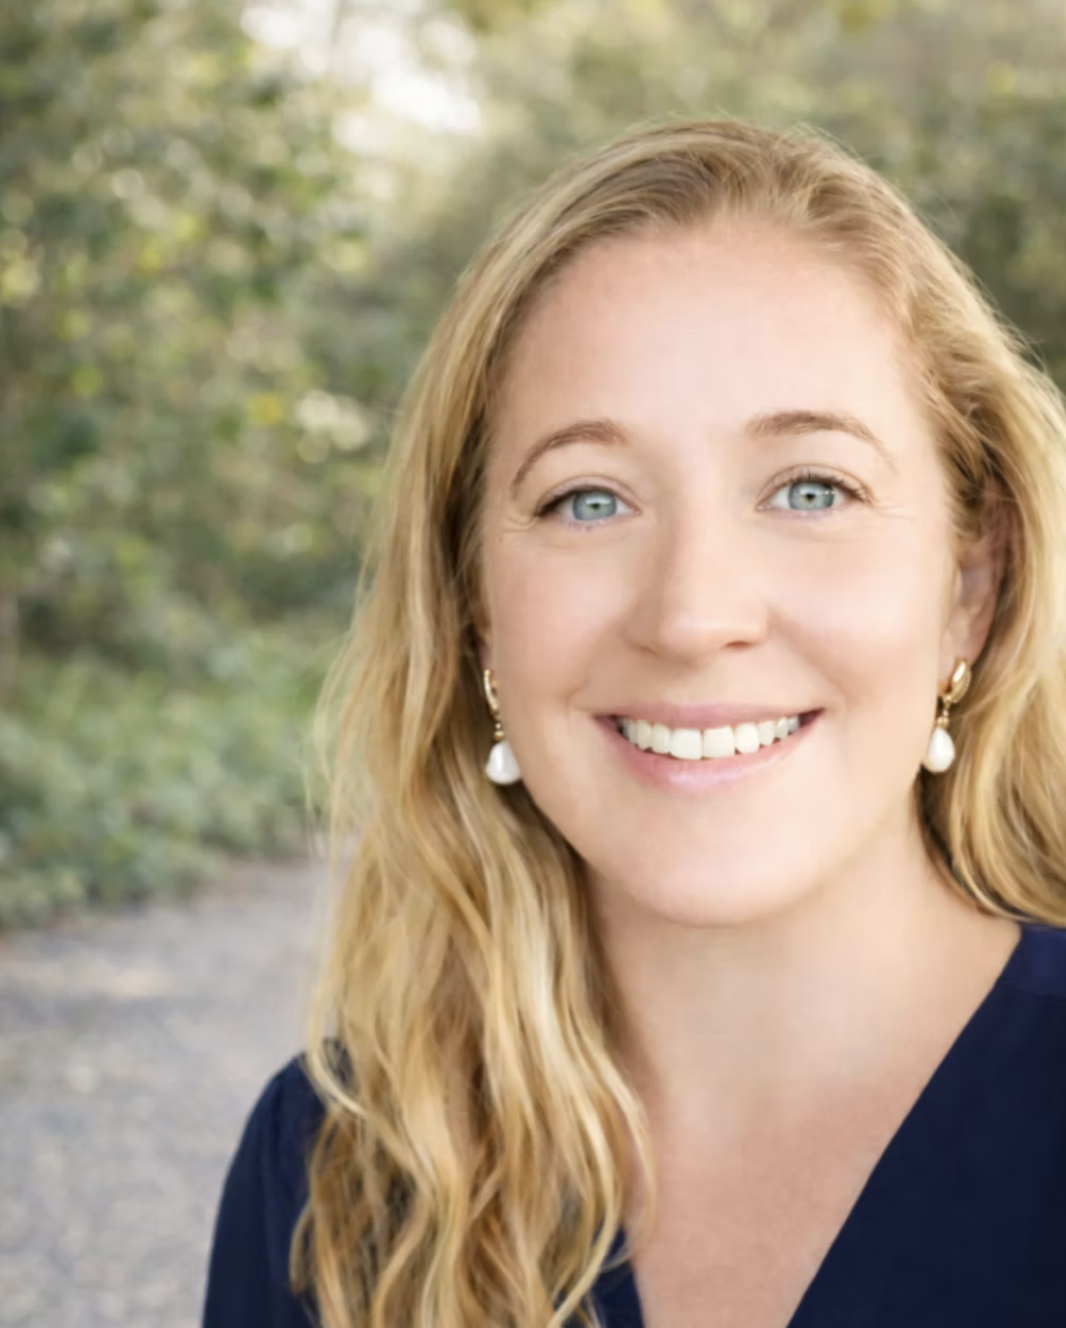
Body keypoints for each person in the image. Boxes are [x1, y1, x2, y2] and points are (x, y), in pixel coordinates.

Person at [202, 119, 1066, 1328]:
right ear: (475, 613)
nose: (692, 613)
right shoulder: (339, 1173)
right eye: (588, 498)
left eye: (810, 488)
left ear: (970, 587)